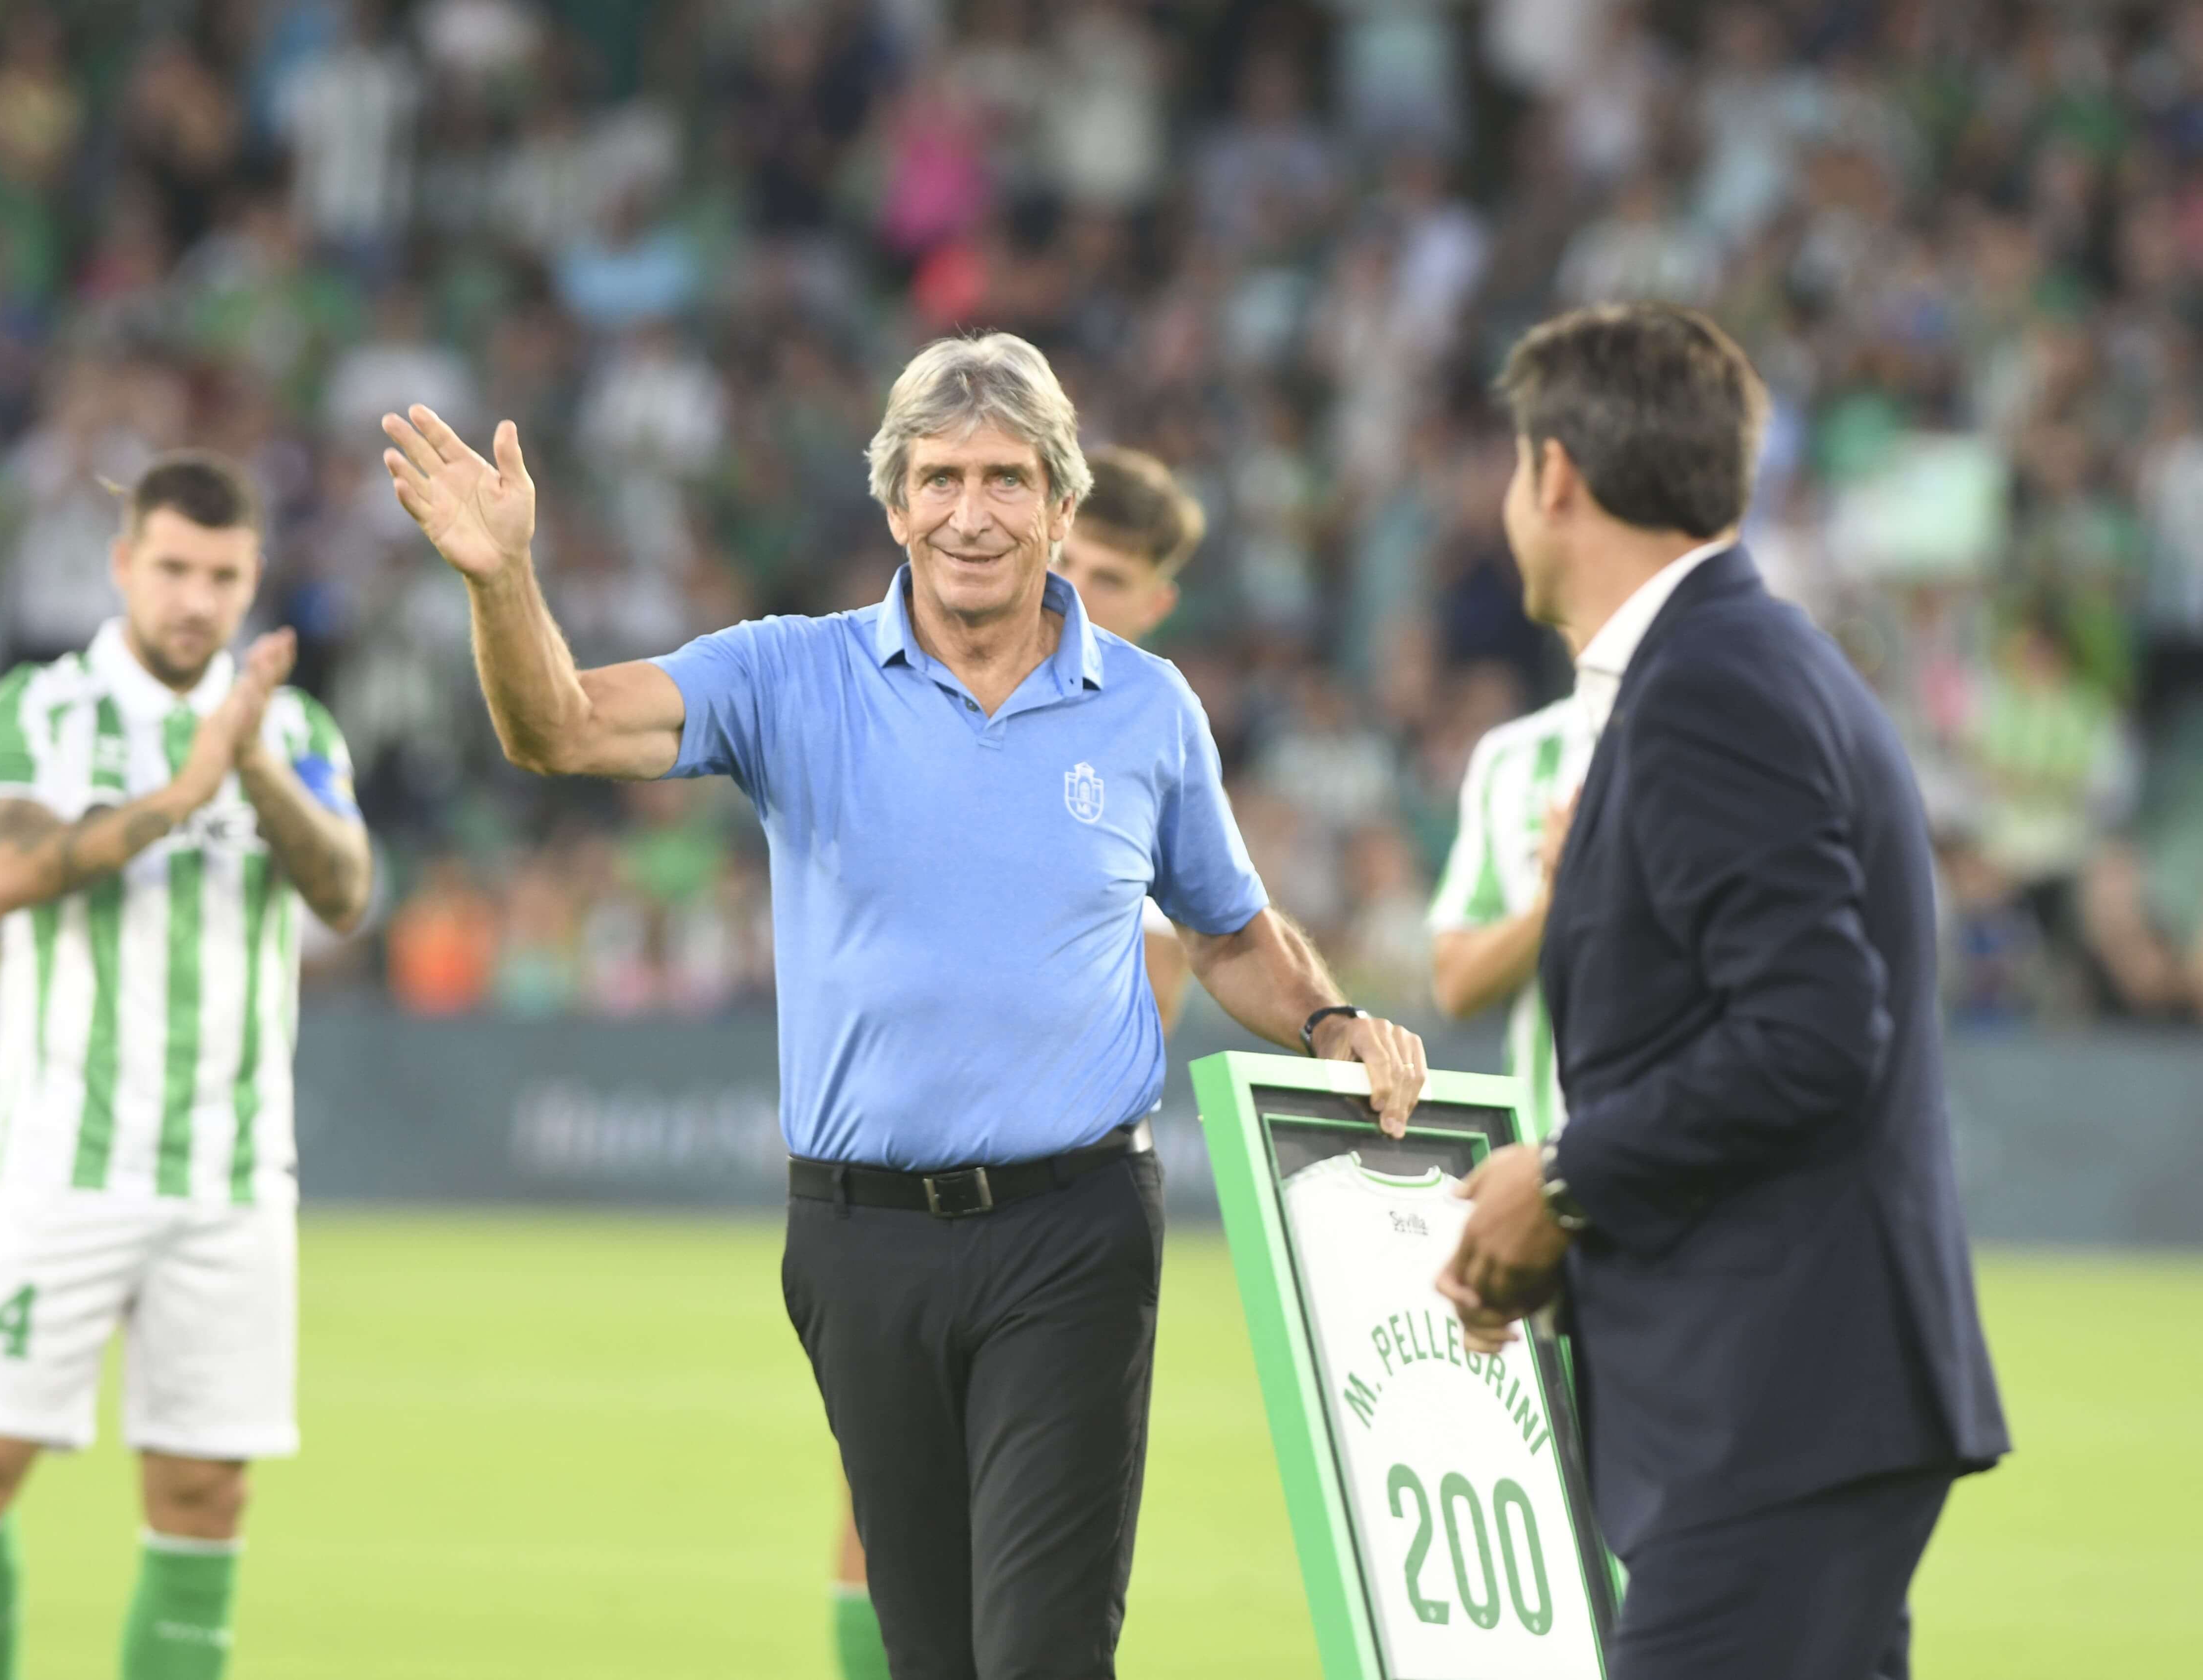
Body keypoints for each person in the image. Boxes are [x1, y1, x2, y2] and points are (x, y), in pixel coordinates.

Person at [381, 332, 1429, 1680]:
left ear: (1062, 507)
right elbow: (564, 726)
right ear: (894, 503)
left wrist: (1336, 1023)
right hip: (859, 1237)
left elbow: (1231, 929)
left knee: (1043, 1651)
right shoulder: (787, 674)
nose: (971, 512)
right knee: (931, 1651)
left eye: (1006, 478)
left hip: (1076, 1228)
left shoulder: (1149, 709)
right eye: (939, 478)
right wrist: (505, 580)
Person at [1435, 303, 2009, 1679]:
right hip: (1792, 1399)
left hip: (1775, 1408)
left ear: (1556, 474)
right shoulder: (1749, 661)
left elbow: (1812, 1033)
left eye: (1517, 468)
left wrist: (1563, 1177)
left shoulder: (1709, 687)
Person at [0, 452, 374, 1680]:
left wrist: (246, 771)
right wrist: (183, 788)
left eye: (224, 576)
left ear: (251, 582)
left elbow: (344, 888)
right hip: (58, 1169)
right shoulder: (42, 707)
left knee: (204, 1494)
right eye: (175, 569)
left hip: (233, 1177)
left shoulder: (290, 725)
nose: (196, 599)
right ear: (124, 565)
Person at [826, 442, 1210, 1680]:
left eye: (1102, 569)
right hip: (894, 1211)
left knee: (1034, 1581)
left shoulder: (1143, 731)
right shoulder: (927, 702)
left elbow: (1179, 970)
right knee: (885, 1532)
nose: (1062, 579)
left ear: (1150, 597)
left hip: (1052, 1214)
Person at [1426, 672, 1587, 1137]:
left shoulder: (1727, 736)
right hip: (1545, 1154)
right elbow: (1454, 981)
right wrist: (1555, 900)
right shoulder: (1517, 755)